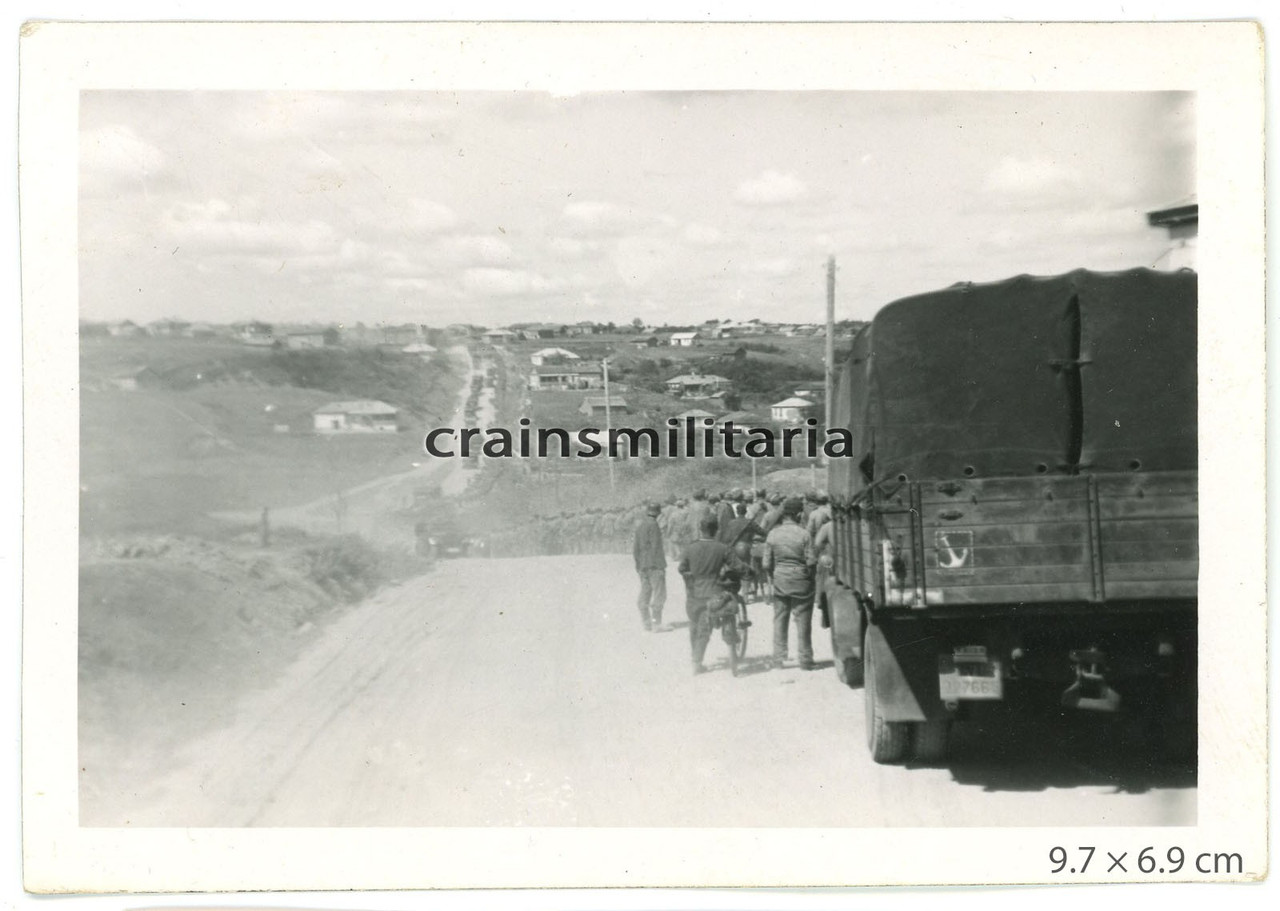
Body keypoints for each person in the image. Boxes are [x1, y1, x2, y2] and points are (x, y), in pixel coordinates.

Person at [678, 515, 748, 675]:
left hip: (695, 594)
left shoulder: (690, 548)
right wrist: (749, 571)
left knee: (696, 626)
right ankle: (726, 643)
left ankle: (696, 660)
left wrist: (692, 576)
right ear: (715, 530)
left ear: (701, 530)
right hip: (716, 593)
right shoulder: (722, 548)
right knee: (724, 612)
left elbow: (682, 568)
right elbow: (737, 566)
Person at [763, 496, 818, 670]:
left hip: (780, 579)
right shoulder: (804, 534)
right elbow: (811, 561)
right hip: (801, 580)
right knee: (803, 621)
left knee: (780, 618)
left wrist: (774, 575)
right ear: (799, 514)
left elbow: (766, 563)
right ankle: (805, 659)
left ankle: (778, 659)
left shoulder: (773, 534)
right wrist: (809, 577)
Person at [632, 501, 668, 631]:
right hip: (654, 565)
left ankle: (646, 622)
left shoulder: (640, 526)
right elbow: (656, 547)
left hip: (643, 565)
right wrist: (659, 566)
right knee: (659, 594)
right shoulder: (654, 525)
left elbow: (635, 548)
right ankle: (656, 623)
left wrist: (638, 565)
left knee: (645, 593)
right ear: (658, 513)